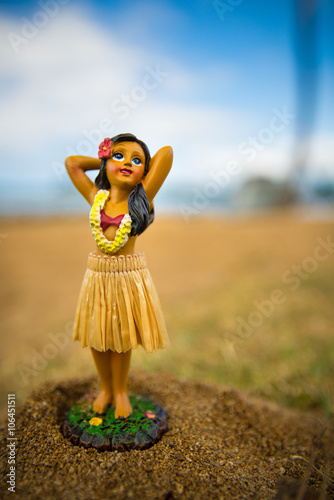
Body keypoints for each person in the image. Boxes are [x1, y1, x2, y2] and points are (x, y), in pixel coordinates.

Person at [65, 133, 173, 418]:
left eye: (136, 160)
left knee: (121, 338)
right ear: (106, 162)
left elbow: (167, 153)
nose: (127, 162)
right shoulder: (96, 198)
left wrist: (140, 169)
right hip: (98, 277)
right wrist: (103, 157)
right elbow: (72, 164)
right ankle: (106, 388)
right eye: (119, 156)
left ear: (144, 171)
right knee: (98, 336)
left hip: (126, 276)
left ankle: (121, 390)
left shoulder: (141, 199)